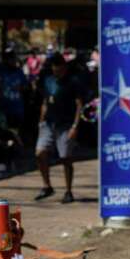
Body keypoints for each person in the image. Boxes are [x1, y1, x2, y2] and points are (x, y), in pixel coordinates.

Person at [34, 53, 81, 203]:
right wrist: (41, 121)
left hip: (66, 124)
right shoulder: (48, 81)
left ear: (64, 68)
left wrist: (75, 125)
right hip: (48, 123)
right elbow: (45, 102)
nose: (57, 71)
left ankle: (68, 190)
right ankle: (47, 185)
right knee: (40, 153)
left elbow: (79, 104)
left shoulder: (73, 82)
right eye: (54, 69)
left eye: (59, 68)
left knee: (65, 158)